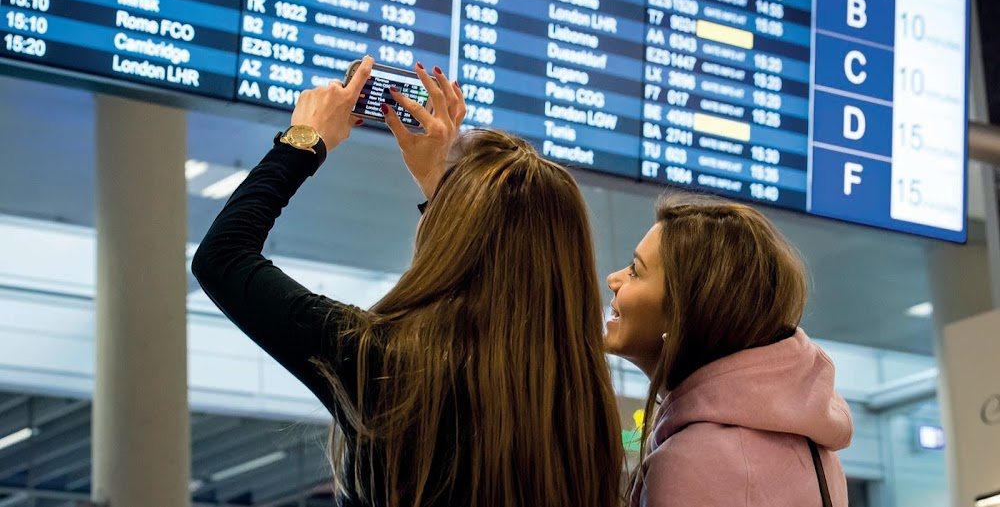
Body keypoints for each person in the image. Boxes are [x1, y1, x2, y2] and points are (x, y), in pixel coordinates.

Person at [191, 55, 624, 507]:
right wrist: (448, 193)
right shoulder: (582, 405)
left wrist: (304, 141)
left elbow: (223, 258)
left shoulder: (386, 362)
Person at [605, 196, 853, 507]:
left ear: (686, 312)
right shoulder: (815, 451)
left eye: (635, 271)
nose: (613, 279)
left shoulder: (692, 460)